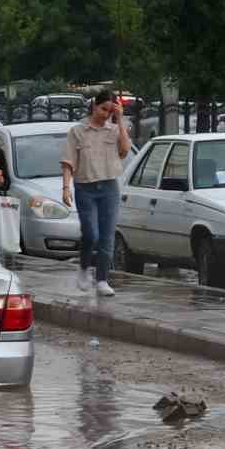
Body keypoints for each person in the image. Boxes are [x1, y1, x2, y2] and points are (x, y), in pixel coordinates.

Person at [61, 90, 130, 297]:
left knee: (107, 236)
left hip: (109, 187)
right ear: (94, 106)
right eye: (103, 109)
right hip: (85, 187)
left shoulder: (114, 129)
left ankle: (102, 279)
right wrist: (66, 187)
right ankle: (83, 268)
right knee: (91, 234)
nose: (105, 114)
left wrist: (120, 119)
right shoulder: (77, 131)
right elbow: (68, 162)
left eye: (110, 110)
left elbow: (125, 150)